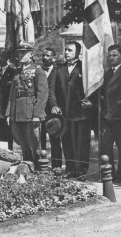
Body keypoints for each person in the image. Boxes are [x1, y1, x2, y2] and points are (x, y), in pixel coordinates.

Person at [49, 41, 93, 181]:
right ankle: (70, 169)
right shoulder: (58, 69)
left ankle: (81, 171)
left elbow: (94, 88)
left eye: (70, 50)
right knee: (66, 142)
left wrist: (92, 103)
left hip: (81, 114)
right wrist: (54, 105)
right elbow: (51, 90)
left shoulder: (84, 68)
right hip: (63, 114)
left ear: (78, 52)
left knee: (82, 144)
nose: (66, 53)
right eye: (66, 50)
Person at [6, 42, 48, 164]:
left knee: (34, 144)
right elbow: (12, 95)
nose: (21, 55)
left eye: (24, 53)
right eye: (19, 52)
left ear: (31, 54)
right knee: (21, 142)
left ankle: (38, 168)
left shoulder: (38, 71)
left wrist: (37, 115)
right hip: (16, 113)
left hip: (30, 113)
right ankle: (28, 166)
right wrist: (9, 113)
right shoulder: (17, 72)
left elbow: (42, 94)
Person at [100, 45, 121, 183]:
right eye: (110, 55)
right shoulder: (108, 73)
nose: (111, 58)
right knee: (106, 146)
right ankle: (110, 173)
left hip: (120, 115)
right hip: (107, 115)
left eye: (114, 55)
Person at [41, 47, 63, 169]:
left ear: (54, 58)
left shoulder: (59, 71)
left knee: (55, 141)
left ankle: (57, 168)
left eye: (48, 55)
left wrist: (56, 106)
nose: (45, 58)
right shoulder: (38, 71)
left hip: (54, 112)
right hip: (41, 111)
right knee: (40, 140)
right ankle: (42, 167)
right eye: (43, 55)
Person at [0, 47, 15, 150]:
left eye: (2, 56)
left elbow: (11, 91)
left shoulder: (13, 72)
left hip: (6, 108)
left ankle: (8, 152)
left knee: (7, 134)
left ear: (6, 57)